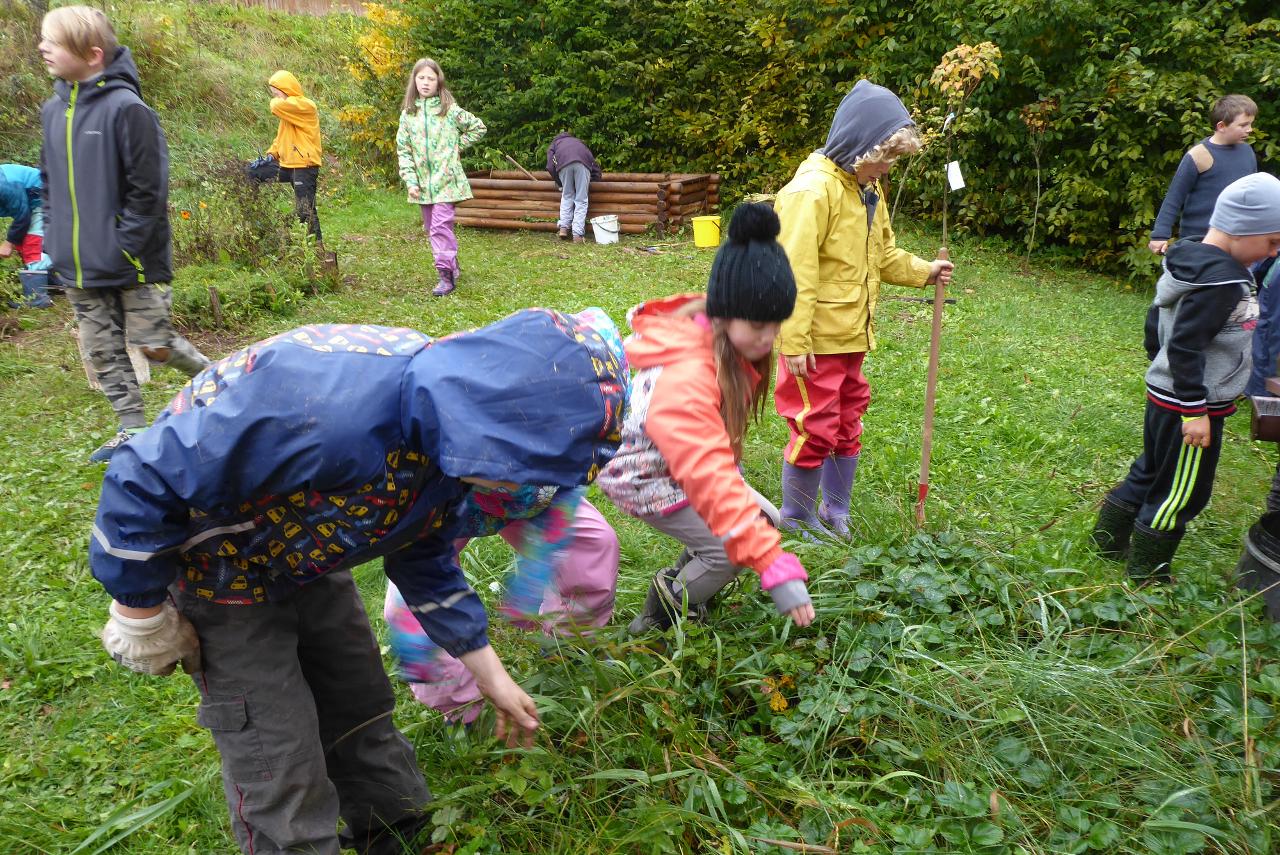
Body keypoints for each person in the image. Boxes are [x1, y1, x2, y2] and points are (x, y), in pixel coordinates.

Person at [89, 307, 629, 855]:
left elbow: (423, 555)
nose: (518, 490)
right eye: (521, 470)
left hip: (313, 553)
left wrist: (488, 672)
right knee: (276, 746)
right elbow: (144, 472)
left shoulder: (449, 445)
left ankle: (398, 833)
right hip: (219, 571)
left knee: (359, 701)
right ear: (491, 426)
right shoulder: (334, 415)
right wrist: (140, 614)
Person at [597, 203, 815, 633]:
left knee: (764, 520)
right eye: (758, 326)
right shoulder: (688, 379)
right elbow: (708, 475)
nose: (768, 338)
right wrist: (775, 567)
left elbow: (711, 459)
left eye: (775, 325)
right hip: (644, 477)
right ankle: (658, 618)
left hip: (679, 466)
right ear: (724, 313)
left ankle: (695, 573)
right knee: (731, 551)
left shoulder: (725, 347)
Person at [772, 80, 953, 537]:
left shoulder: (867, 190)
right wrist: (793, 340)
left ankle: (836, 510)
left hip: (853, 335)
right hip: (814, 343)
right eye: (884, 156)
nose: (887, 168)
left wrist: (925, 271)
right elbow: (792, 272)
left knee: (847, 420)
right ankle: (796, 517)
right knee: (815, 424)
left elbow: (883, 255)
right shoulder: (811, 193)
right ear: (859, 145)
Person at [37, 6, 210, 463]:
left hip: (133, 262)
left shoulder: (128, 109)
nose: (42, 48)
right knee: (103, 350)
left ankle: (221, 383)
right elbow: (48, 183)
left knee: (155, 345)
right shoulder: (53, 111)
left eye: (53, 42)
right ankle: (132, 429)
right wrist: (53, 238)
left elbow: (148, 190)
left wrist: (125, 247)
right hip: (77, 262)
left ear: (92, 54)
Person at [1093, 173, 1280, 582]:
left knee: (1150, 468)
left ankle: (1106, 542)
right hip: (1193, 407)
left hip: (1166, 392)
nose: (1274, 251)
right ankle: (1148, 573)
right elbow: (1185, 345)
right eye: (1271, 241)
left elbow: (1156, 319)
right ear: (1242, 228)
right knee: (1182, 490)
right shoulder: (1223, 282)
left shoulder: (1189, 258)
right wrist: (1194, 410)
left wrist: (1159, 366)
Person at [384, 484, 619, 723]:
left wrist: (539, 564)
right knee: (418, 614)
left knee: (592, 545)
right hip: (434, 504)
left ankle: (568, 647)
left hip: (531, 497)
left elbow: (575, 472)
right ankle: (463, 710)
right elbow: (416, 572)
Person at [396, 58, 486, 297]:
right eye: (421, 78)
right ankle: (452, 264)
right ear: (414, 81)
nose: (426, 83)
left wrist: (457, 146)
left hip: (447, 182)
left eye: (431, 78)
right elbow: (403, 150)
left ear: (439, 82)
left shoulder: (449, 110)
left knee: (439, 227)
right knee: (432, 228)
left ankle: (445, 275)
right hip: (422, 185)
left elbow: (478, 128)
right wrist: (410, 181)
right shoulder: (408, 115)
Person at [1148, 94, 1258, 255]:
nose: (1250, 129)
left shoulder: (1246, 152)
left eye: (1250, 124)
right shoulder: (1199, 155)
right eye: (1243, 125)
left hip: (1236, 239)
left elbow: (1253, 194)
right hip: (1199, 241)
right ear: (1221, 126)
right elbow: (1174, 197)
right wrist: (1159, 235)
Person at [263, 70, 325, 246]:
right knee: (253, 173)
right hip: (287, 164)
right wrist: (271, 154)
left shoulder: (305, 106)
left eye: (276, 93)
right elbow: (282, 138)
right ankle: (257, 225)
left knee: (305, 211)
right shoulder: (288, 112)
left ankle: (318, 252)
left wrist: (277, 100)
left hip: (304, 166)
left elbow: (275, 106)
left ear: (287, 89)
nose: (275, 97)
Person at [0, 163, 53, 308]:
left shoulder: (5, 186)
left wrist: (8, 243)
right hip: (31, 204)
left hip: (45, 199)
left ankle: (37, 299)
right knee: (22, 243)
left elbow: (23, 216)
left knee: (32, 246)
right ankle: (52, 282)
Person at [546, 132, 603, 243]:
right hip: (582, 164)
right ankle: (577, 235)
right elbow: (592, 162)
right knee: (581, 199)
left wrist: (559, 182)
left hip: (563, 165)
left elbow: (550, 166)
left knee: (567, 196)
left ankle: (563, 228)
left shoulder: (555, 144)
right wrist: (596, 179)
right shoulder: (579, 143)